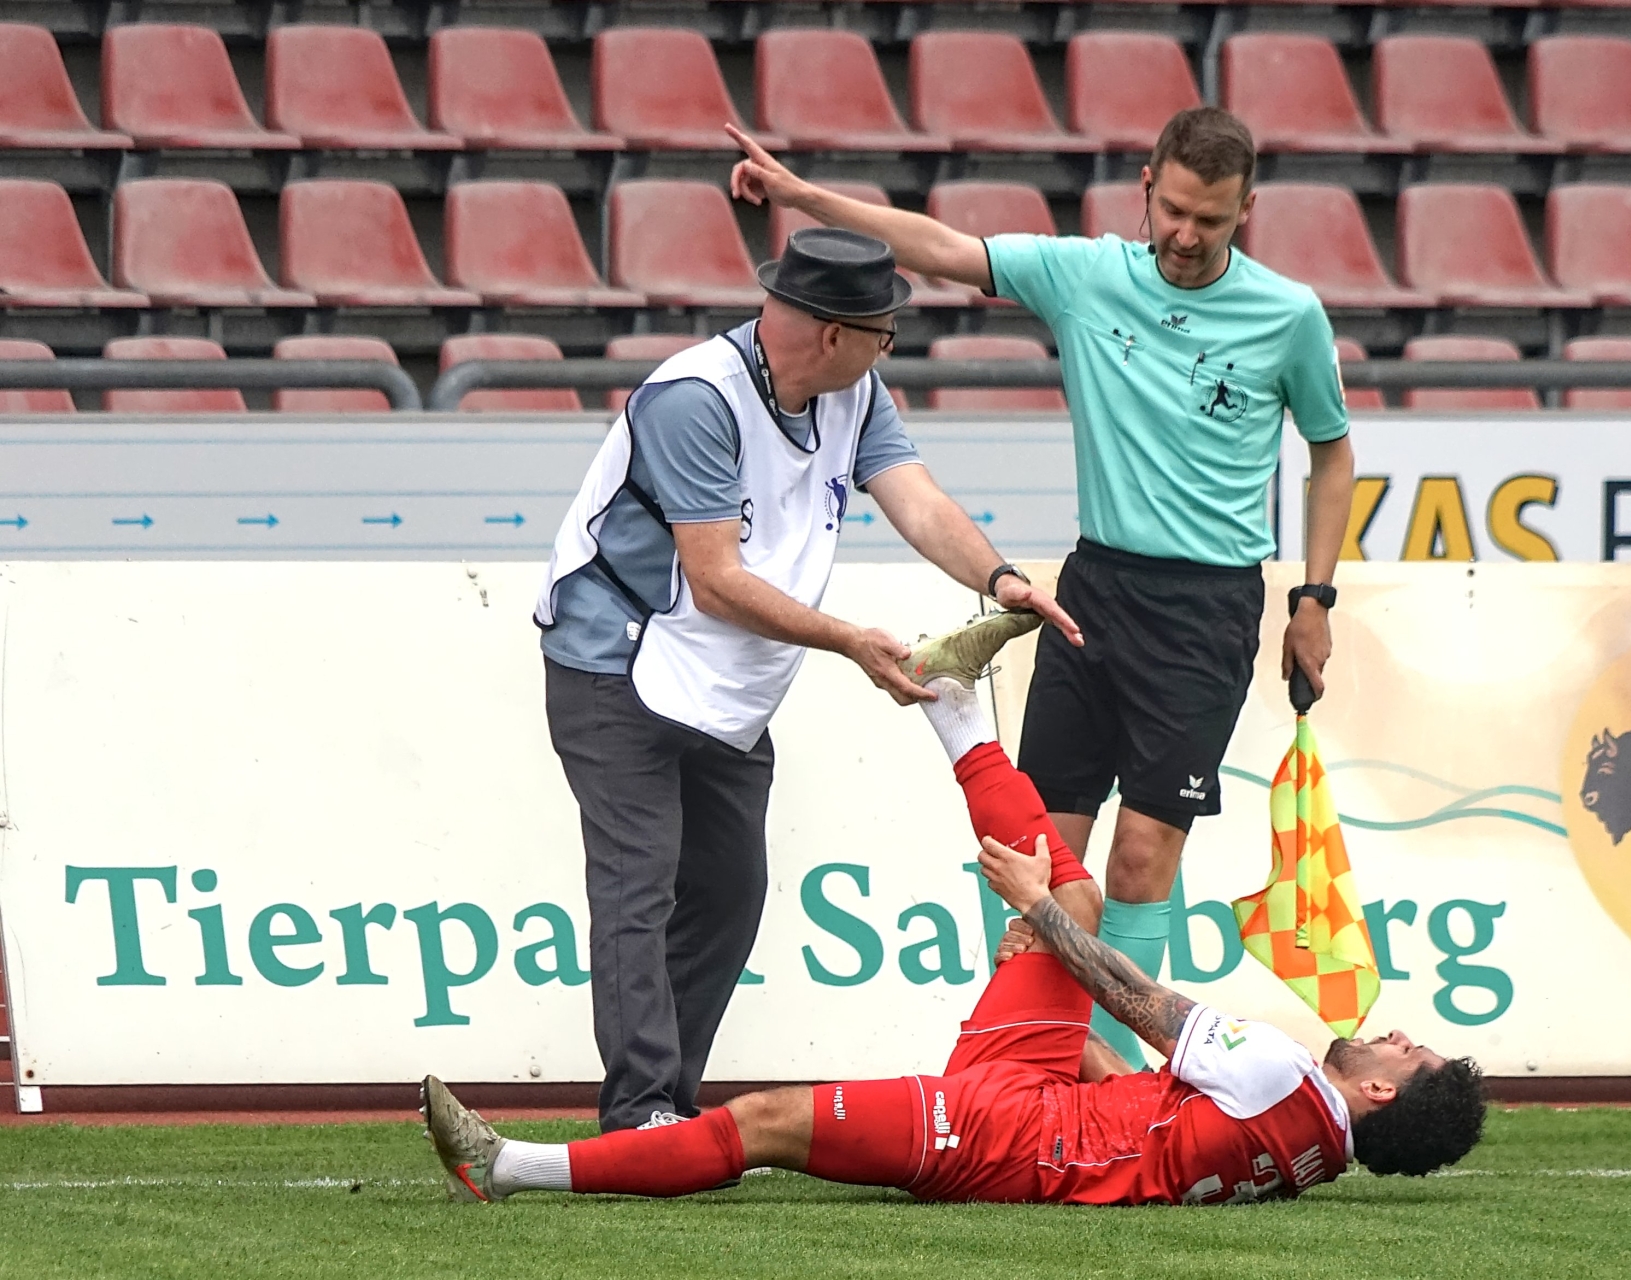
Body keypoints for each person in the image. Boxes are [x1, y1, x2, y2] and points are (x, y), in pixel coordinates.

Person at [426, 625, 1484, 1205]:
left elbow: (1137, 995)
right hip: (1051, 1102)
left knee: (766, 1123)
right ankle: (950, 701)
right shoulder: (1312, 1152)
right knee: (1076, 893)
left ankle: (512, 1164)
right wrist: (1059, 1000)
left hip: (1008, 1138)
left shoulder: (1286, 1072)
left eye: (1410, 1049)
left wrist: (1044, 932)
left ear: (1384, 1089)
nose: (1395, 1029)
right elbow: (1156, 1111)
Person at [727, 108, 1359, 1068]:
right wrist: (804, 195)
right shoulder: (1086, 276)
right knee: (1037, 851)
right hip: (1094, 591)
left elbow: (1332, 449)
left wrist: (1316, 597)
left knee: (1143, 860)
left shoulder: (1289, 316)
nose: (1188, 238)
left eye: (1215, 222)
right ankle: (1037, 1062)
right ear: (1146, 184)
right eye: (1176, 211)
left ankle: (1118, 1075)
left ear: (1248, 212)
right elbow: (940, 248)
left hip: (1209, 611)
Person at [536, 227, 1080, 1133]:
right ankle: (639, 1116)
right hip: (615, 663)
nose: (888, 348)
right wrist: (850, 643)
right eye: (885, 331)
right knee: (640, 883)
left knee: (730, 890)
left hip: (729, 687)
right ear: (836, 333)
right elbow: (713, 580)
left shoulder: (853, 391)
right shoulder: (692, 399)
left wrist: (999, 580)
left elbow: (917, 498)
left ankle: (668, 1102)